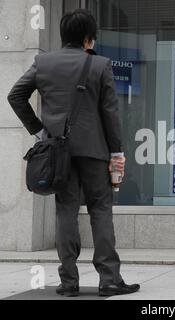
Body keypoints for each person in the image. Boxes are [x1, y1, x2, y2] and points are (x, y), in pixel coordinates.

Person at [7, 9, 140, 297]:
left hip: (58, 152)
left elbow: (15, 95)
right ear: (88, 38)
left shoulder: (43, 62)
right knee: (101, 211)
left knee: (65, 212)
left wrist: (39, 130)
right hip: (96, 151)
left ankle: (69, 282)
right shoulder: (100, 65)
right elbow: (110, 114)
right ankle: (109, 280)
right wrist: (117, 152)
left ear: (63, 35)